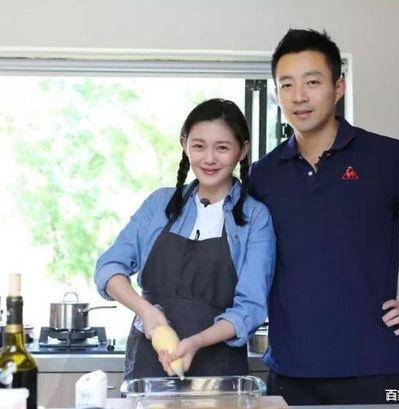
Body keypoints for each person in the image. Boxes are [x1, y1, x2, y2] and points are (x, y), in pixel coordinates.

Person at [249, 29, 399, 405]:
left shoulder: (386, 157)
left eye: (312, 82)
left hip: (372, 368)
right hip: (290, 371)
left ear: (338, 86)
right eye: (286, 85)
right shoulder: (263, 175)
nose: (298, 96)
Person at [95, 98, 275, 380]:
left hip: (218, 371)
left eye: (222, 147)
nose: (209, 159)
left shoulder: (255, 217)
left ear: (242, 150)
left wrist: (196, 341)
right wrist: (147, 313)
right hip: (148, 365)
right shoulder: (159, 204)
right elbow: (109, 268)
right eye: (199, 146)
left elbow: (250, 308)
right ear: (184, 144)